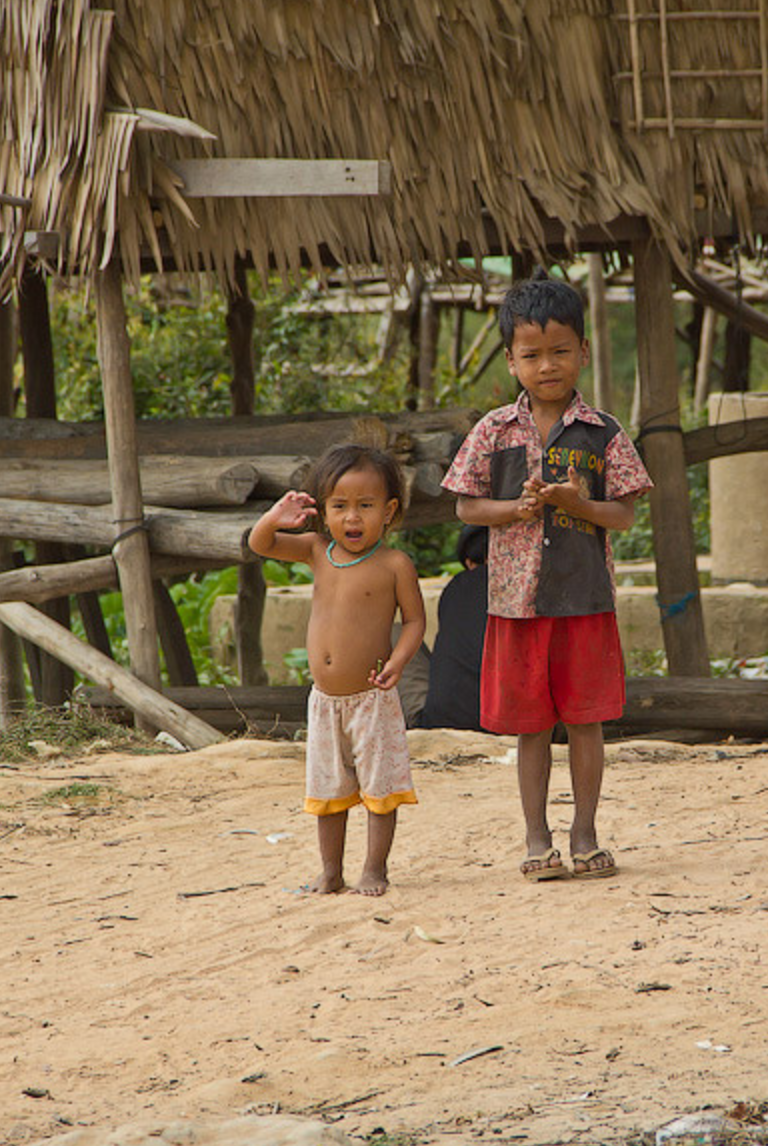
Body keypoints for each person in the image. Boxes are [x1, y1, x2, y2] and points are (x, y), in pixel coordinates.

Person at [442, 272, 652, 882]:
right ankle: (537, 839)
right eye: (532, 355)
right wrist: (517, 510)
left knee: (586, 721)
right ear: (511, 360)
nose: (548, 366)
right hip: (516, 605)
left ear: (583, 352)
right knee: (532, 727)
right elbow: (465, 507)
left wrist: (576, 503)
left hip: (584, 600)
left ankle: (584, 833)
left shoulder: (602, 432)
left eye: (561, 351)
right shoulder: (492, 431)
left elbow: (626, 514)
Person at [249, 444, 427, 896]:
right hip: (325, 702)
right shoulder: (315, 552)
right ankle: (331, 871)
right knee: (328, 790)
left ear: (388, 511)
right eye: (340, 507)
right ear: (322, 512)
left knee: (379, 788)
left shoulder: (394, 565)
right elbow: (260, 543)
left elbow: (415, 622)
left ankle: (374, 868)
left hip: (373, 698)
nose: (352, 518)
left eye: (365, 506)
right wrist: (276, 515)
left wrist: (399, 660)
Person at [414, 524, 488, 731]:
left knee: (395, 634)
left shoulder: (457, 586)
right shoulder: (530, 588)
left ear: (468, 562)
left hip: (443, 720)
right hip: (519, 721)